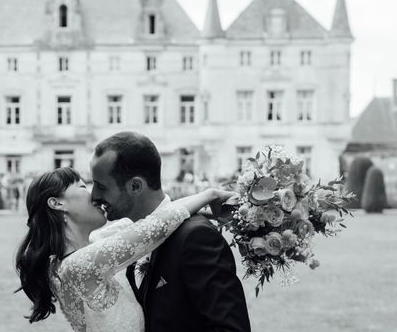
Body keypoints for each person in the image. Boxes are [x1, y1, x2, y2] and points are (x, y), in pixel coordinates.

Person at [15, 166, 237, 332]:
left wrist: (204, 209)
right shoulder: (77, 265)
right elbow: (155, 226)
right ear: (57, 203)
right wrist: (210, 195)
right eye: (83, 186)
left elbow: (156, 215)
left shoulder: (89, 246)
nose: (93, 194)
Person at [90, 132, 250, 332]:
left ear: (135, 186)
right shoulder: (129, 239)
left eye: (101, 187)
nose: (94, 196)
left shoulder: (196, 237)